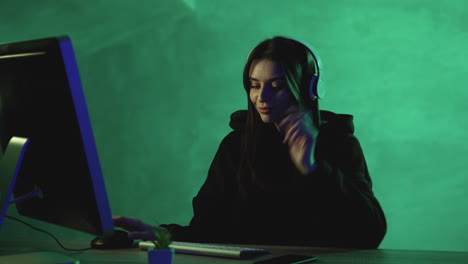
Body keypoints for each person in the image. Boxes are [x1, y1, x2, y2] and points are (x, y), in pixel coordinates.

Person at [113, 36, 387, 249]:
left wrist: (314, 169)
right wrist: (164, 235)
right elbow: (209, 229)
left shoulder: (339, 143)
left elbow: (370, 233)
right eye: (255, 85)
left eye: (276, 86)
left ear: (309, 88)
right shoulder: (236, 146)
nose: (261, 98)